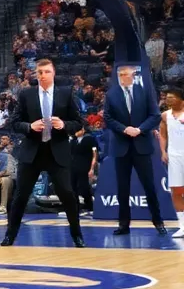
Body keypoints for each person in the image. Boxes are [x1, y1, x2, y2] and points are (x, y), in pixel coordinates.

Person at [1, 58, 85, 247]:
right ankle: (9, 236)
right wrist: (29, 126)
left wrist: (63, 125)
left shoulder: (65, 93)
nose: (43, 75)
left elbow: (78, 122)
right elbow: (14, 123)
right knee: (20, 196)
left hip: (57, 151)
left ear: (53, 73)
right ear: (35, 74)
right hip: (32, 152)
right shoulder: (26, 94)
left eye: (46, 71)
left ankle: (77, 235)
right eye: (39, 72)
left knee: (67, 194)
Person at [104, 65, 168, 235]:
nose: (122, 77)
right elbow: (108, 118)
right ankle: (123, 224)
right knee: (122, 188)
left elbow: (154, 115)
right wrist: (125, 129)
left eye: (126, 74)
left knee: (149, 186)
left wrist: (139, 129)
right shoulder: (111, 94)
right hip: (121, 146)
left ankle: (158, 221)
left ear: (133, 75)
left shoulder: (144, 91)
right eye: (120, 75)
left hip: (142, 144)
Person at [158, 85, 184, 238]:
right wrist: (163, 151)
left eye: (172, 97)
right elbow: (163, 135)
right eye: (167, 97)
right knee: (176, 191)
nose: (168, 99)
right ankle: (182, 226)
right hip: (174, 156)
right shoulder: (165, 115)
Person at [69, 124, 99, 215]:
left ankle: (89, 205)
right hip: (73, 167)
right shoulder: (73, 141)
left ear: (83, 130)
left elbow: (95, 154)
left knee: (84, 187)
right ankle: (75, 208)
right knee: (72, 188)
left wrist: (92, 169)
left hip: (85, 167)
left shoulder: (89, 139)